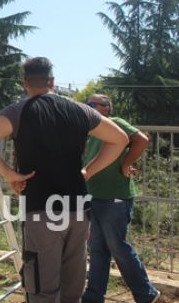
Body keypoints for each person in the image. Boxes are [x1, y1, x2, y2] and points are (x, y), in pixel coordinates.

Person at [0, 57, 129, 303]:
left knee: (43, 291)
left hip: (41, 212)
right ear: (52, 81)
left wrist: (10, 175)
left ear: (25, 83)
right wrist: (88, 171)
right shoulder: (80, 110)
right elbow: (120, 139)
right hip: (78, 212)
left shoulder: (19, 111)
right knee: (72, 291)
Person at [81, 94, 160, 303]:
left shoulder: (115, 124)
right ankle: (94, 296)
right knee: (98, 248)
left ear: (106, 108)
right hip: (94, 196)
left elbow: (141, 140)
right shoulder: (89, 132)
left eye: (91, 105)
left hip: (115, 196)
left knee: (118, 246)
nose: (87, 108)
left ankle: (146, 294)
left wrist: (126, 162)